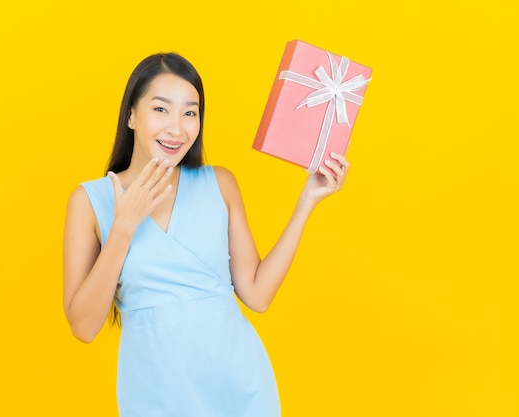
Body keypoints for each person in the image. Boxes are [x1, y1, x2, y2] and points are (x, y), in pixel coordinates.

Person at [63, 52, 349, 417]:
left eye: (190, 112)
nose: (177, 128)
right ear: (131, 115)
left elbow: (258, 295)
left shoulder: (220, 183)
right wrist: (123, 227)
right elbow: (83, 328)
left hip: (239, 385)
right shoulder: (89, 201)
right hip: (153, 393)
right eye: (161, 109)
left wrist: (308, 200)